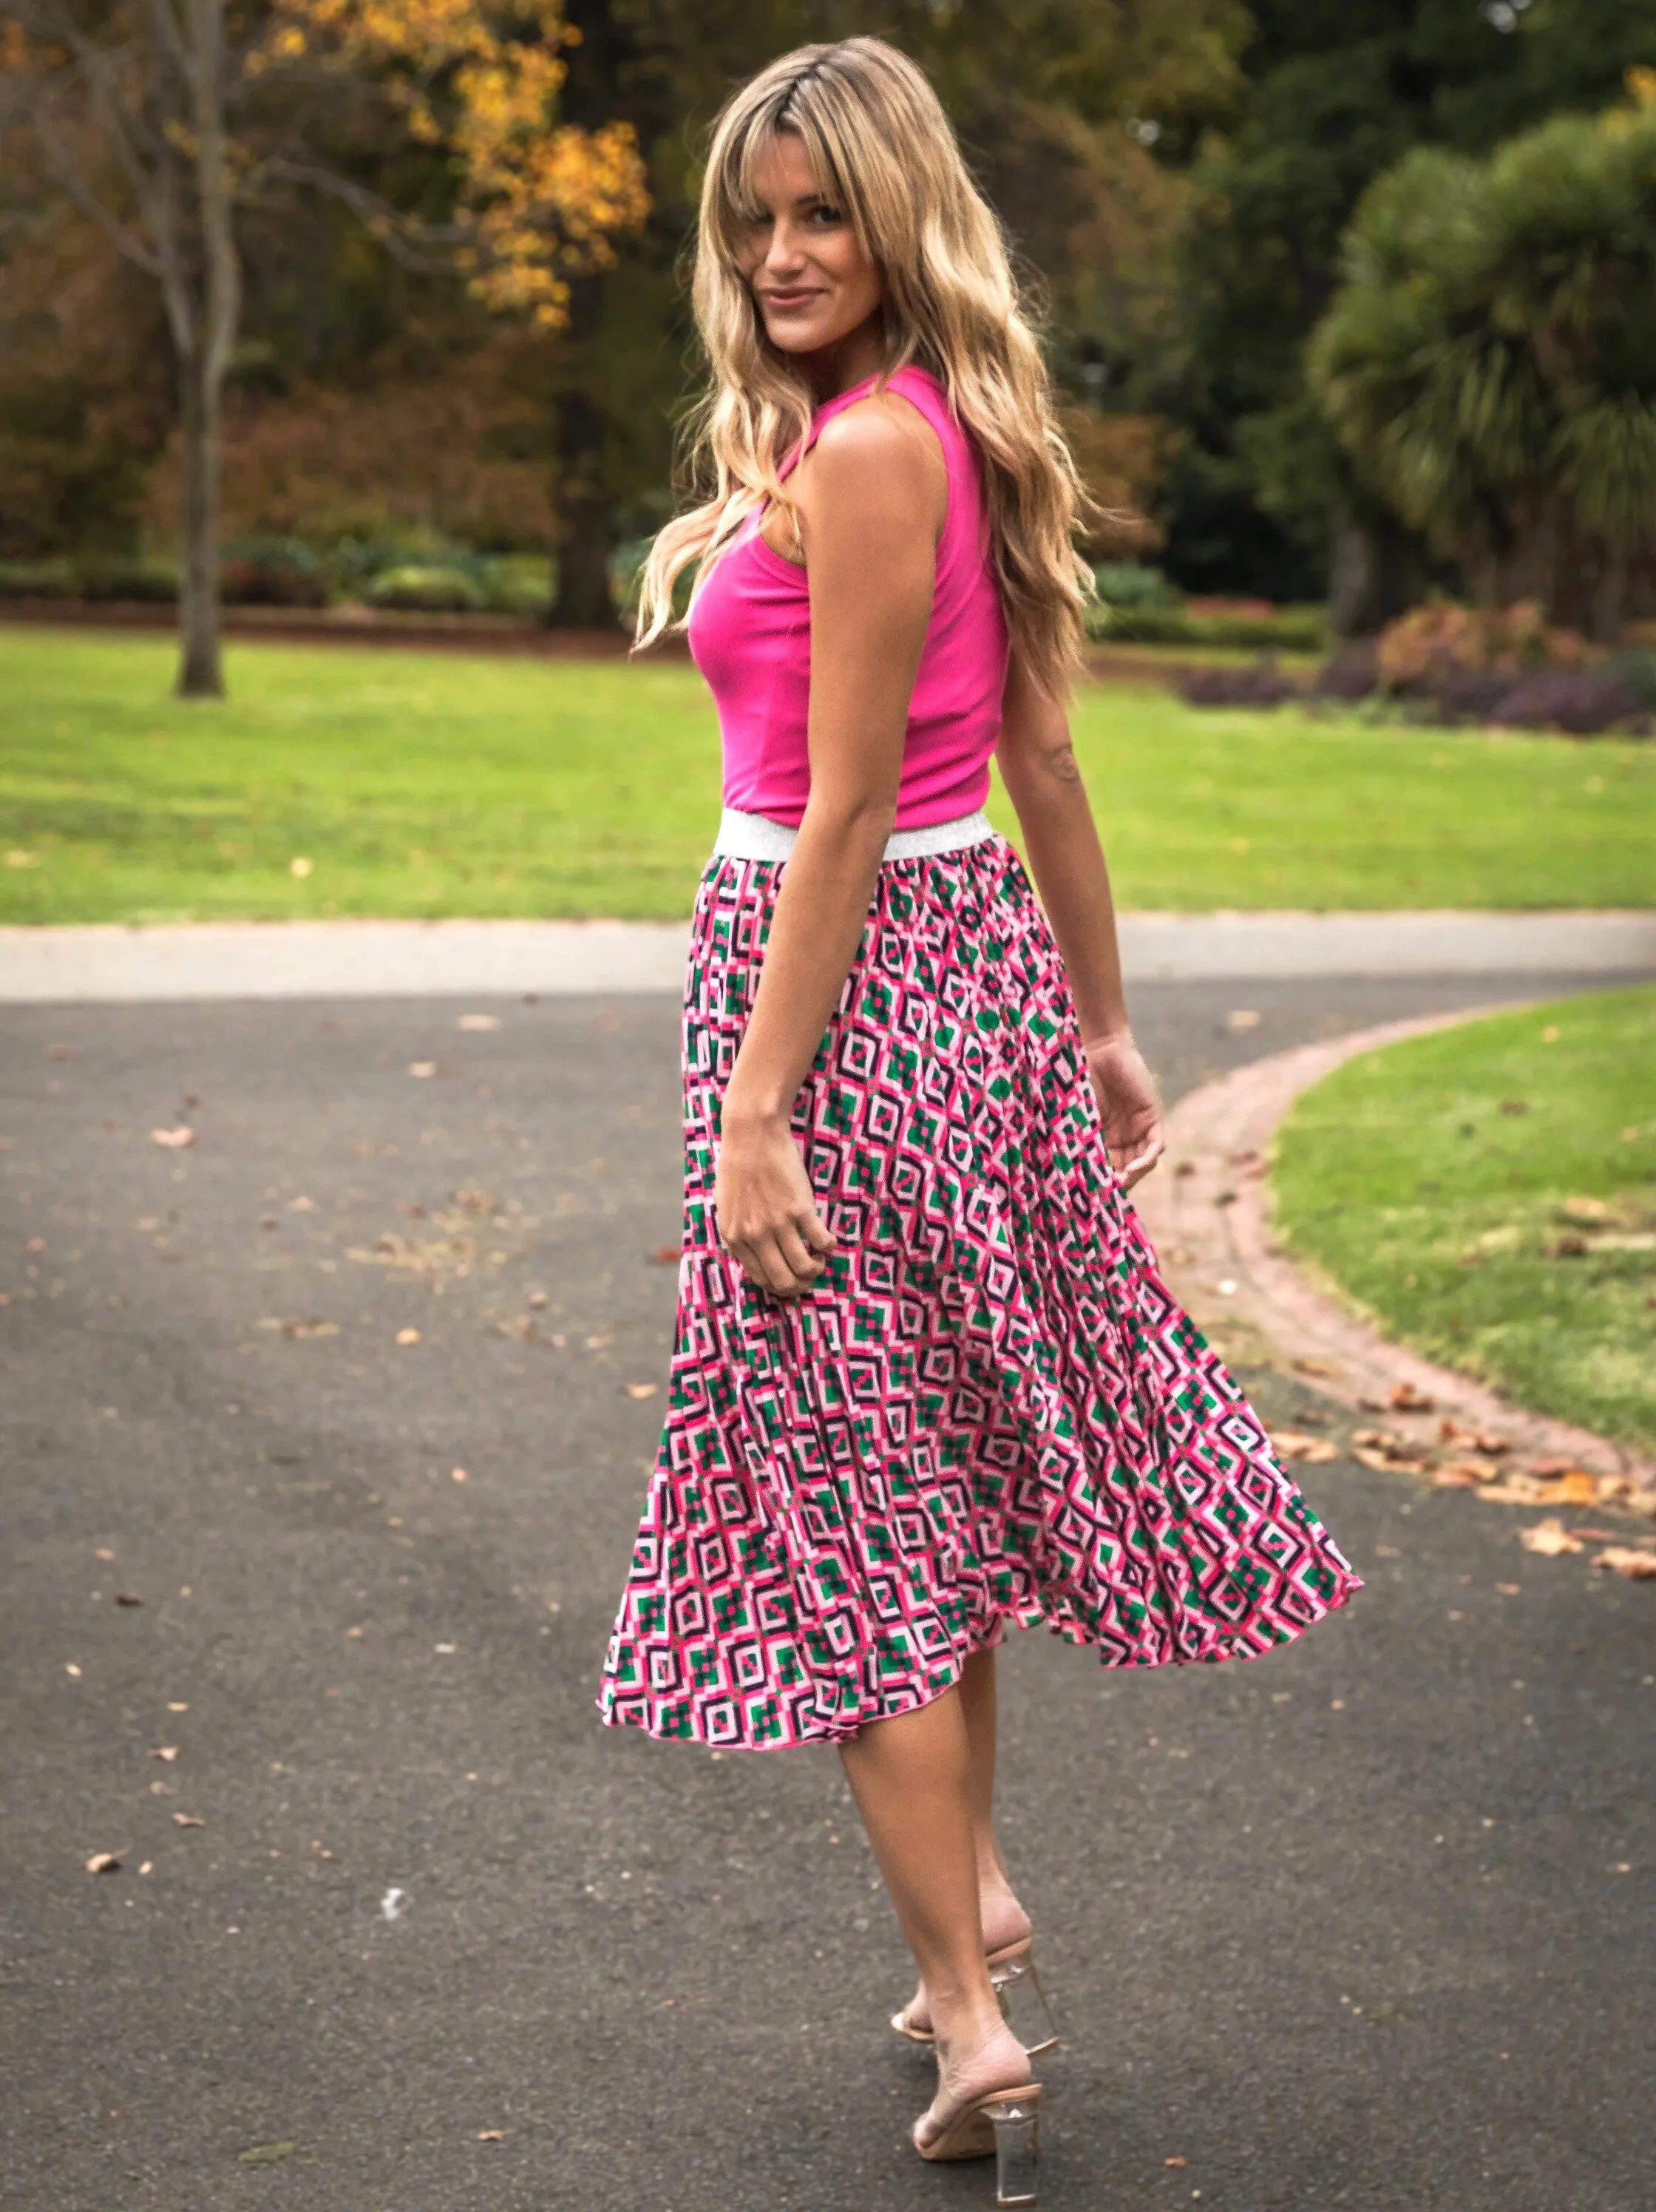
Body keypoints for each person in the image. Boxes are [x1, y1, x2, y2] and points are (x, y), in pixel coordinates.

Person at [598, 36, 1360, 2205]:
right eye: (757, 219)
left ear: (899, 213)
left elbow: (842, 804)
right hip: (978, 994)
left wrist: (759, 1112)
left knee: (849, 1533)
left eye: (821, 211)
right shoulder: (946, 427)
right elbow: (1041, 759)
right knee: (929, 1490)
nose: (780, 253)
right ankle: (977, 1922)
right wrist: (1105, 1024)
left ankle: (969, 2015)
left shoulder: (864, 456)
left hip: (834, 1004)